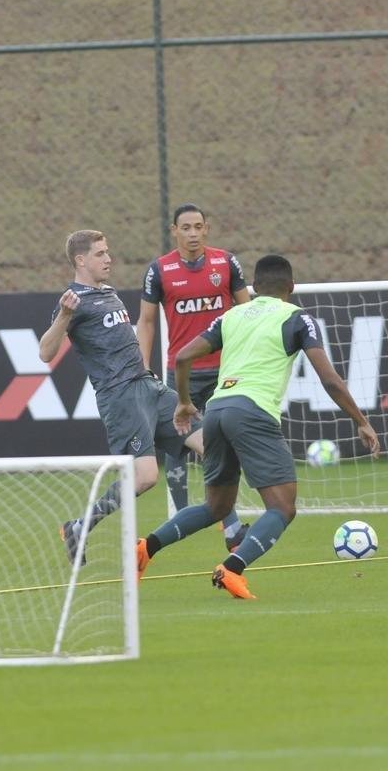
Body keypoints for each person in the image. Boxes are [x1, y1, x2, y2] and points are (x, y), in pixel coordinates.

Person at [135, 254, 380, 599]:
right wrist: (362, 421)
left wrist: (185, 402)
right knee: (282, 507)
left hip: (218, 410)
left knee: (216, 507)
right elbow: (331, 381)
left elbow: (184, 356)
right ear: (290, 287)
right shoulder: (296, 318)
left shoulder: (231, 315)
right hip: (253, 412)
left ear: (254, 287)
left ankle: (146, 547)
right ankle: (232, 569)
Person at [39, 229, 207, 565]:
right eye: (100, 254)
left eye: (107, 251)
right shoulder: (73, 301)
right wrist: (65, 316)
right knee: (145, 478)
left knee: (212, 443)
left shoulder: (108, 292)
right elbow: (45, 352)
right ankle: (81, 525)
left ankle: (231, 529)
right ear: (81, 260)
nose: (108, 258)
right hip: (121, 397)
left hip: (150, 388)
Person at [135, 203, 251, 551]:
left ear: (207, 228)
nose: (193, 234)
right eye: (186, 228)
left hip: (223, 370)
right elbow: (148, 321)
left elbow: (247, 312)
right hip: (181, 372)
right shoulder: (160, 270)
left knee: (220, 444)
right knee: (177, 446)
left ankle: (228, 525)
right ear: (175, 231)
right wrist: (142, 368)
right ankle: (184, 516)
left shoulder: (226, 263)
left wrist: (248, 356)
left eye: (198, 227)